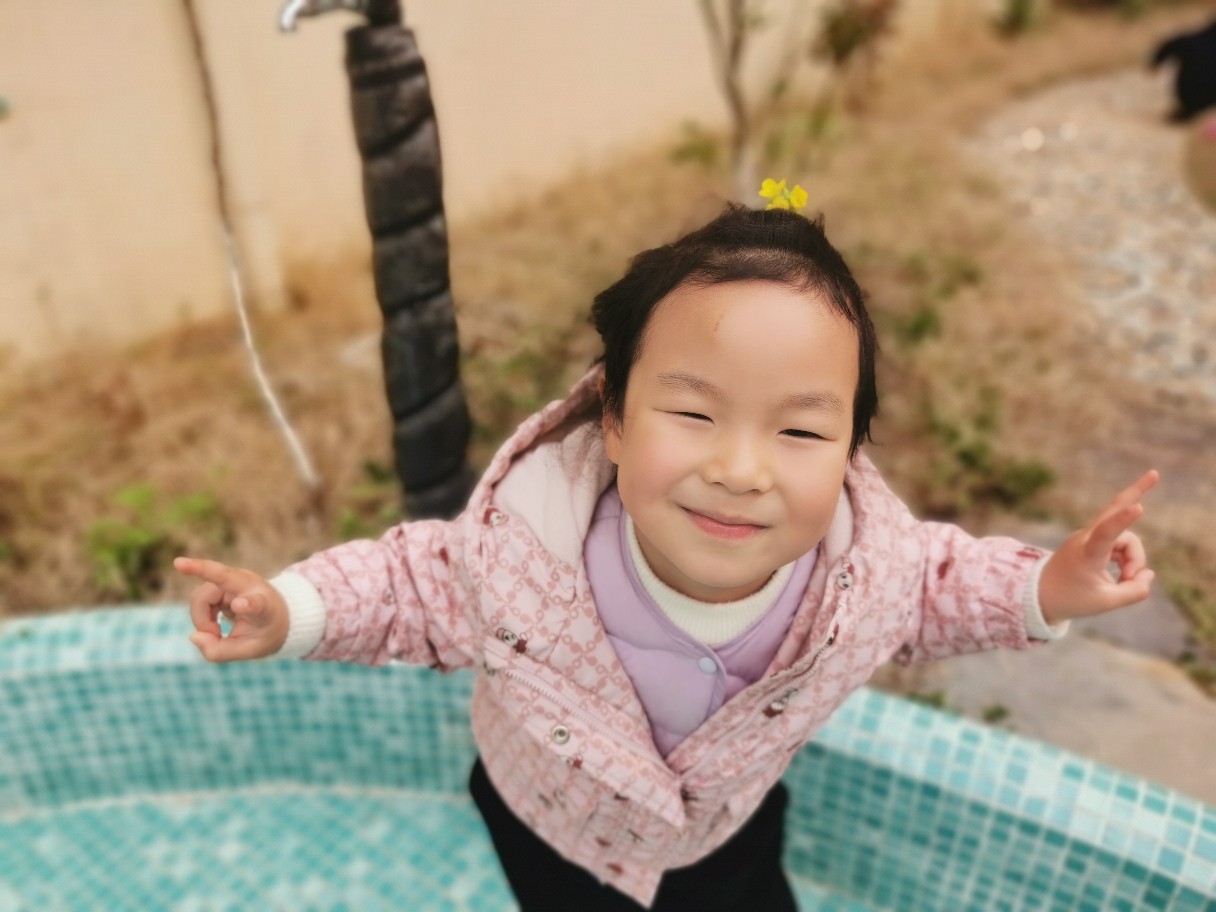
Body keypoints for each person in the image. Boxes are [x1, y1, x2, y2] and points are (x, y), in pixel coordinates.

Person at [175, 199, 1158, 911]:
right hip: (546, 821)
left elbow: (942, 586)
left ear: (850, 452)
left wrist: (1050, 584)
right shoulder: (524, 554)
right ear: (611, 417)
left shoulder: (867, 576)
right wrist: (290, 610)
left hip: (716, 834)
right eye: (693, 414)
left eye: (799, 432)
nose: (740, 470)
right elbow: (404, 583)